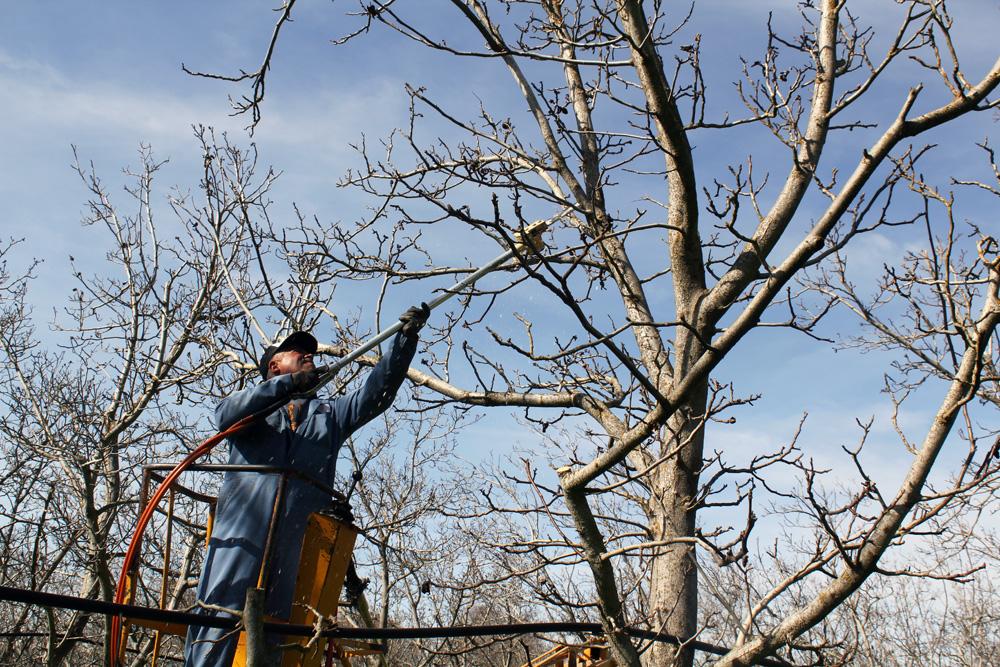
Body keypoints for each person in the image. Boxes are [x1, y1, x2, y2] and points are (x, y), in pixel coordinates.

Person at [184, 304, 430, 666]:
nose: (309, 356)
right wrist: (287, 386)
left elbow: (377, 393)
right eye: (299, 352)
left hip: (293, 551)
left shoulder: (329, 418)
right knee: (217, 623)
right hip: (239, 544)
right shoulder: (253, 413)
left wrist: (404, 341)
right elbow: (223, 415)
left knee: (277, 638)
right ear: (274, 366)